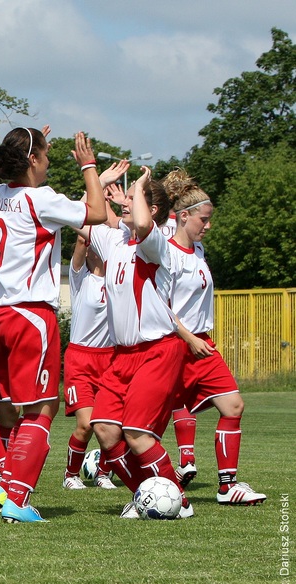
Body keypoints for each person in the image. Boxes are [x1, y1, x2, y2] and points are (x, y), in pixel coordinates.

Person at [0, 128, 107, 523]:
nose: (51, 160)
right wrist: (88, 166)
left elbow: (20, 177)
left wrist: (28, 140)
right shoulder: (43, 199)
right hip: (32, 314)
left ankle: (5, 486)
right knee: (44, 408)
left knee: (24, 409)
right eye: (47, 154)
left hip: (0, 314)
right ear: (32, 159)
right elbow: (99, 214)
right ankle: (17, 498)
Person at [84, 166, 193, 519]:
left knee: (136, 434)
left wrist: (143, 184)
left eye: (132, 198)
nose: (124, 202)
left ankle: (179, 502)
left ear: (153, 208)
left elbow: (144, 226)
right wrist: (93, 177)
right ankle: (146, 496)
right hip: (122, 356)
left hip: (157, 351)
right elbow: (82, 216)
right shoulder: (116, 241)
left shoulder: (157, 243)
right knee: (103, 429)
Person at [164, 168, 266, 506]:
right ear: (183, 216)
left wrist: (198, 339)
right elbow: (158, 307)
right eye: (203, 220)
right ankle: (129, 477)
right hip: (174, 347)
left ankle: (227, 486)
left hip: (202, 346)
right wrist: (188, 337)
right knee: (144, 424)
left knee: (233, 405)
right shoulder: (165, 253)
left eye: (209, 220)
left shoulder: (199, 252)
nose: (207, 226)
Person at [61, 173, 128, 491]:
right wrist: (97, 184)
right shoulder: (79, 277)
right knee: (86, 424)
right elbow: (84, 220)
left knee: (110, 423)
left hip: (110, 359)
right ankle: (70, 474)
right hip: (80, 358)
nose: (93, 249)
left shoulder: (116, 276)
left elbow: (116, 232)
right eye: (88, 246)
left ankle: (103, 473)